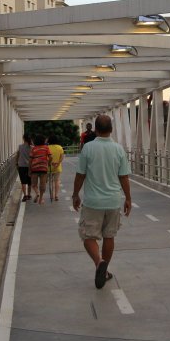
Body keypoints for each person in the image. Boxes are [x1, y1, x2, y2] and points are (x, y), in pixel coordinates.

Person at [72, 115, 132, 289]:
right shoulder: (119, 149)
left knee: (88, 236)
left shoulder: (88, 148)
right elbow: (124, 177)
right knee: (109, 236)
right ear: (111, 129)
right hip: (113, 201)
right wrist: (127, 198)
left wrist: (75, 194)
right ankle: (105, 270)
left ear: (96, 129)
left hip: (92, 202)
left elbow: (80, 175)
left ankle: (99, 263)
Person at [29, 134, 52, 205]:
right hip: (43, 168)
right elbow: (51, 157)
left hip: (34, 168)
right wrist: (48, 163)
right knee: (42, 185)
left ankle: (37, 193)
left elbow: (30, 160)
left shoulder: (33, 148)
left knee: (34, 184)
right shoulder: (46, 148)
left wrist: (29, 170)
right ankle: (41, 199)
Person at [47, 135, 65, 201]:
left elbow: (46, 157)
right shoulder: (60, 147)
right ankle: (56, 195)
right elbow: (62, 157)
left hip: (49, 167)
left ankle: (51, 194)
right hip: (57, 167)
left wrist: (51, 163)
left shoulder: (47, 147)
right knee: (56, 181)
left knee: (50, 180)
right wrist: (58, 163)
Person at [16, 133, 32, 202]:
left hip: (21, 166)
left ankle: (25, 195)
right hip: (30, 166)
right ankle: (29, 195)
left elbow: (17, 155)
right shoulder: (32, 147)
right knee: (29, 182)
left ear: (23, 138)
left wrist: (16, 163)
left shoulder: (20, 146)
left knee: (23, 181)